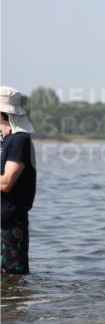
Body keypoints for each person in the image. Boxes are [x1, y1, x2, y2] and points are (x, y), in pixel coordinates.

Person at [1, 87, 37, 275]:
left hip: (11, 219)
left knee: (13, 276)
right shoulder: (4, 140)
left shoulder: (19, 140)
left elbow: (6, 183)